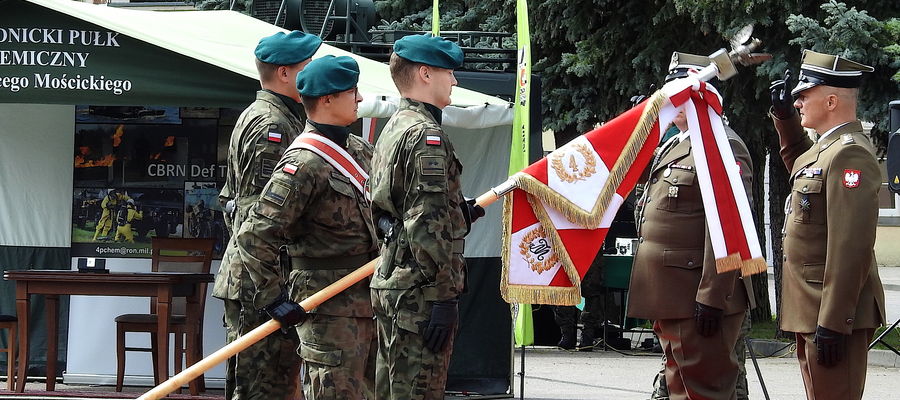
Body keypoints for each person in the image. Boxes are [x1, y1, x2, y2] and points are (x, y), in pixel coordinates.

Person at [629, 51, 755, 400]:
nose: (669, 101)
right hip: (670, 293)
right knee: (682, 387)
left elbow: (727, 229)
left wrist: (713, 296)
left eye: (677, 93)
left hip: (696, 297)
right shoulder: (675, 144)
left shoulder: (722, 146)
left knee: (702, 390)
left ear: (699, 96)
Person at [368, 34, 483, 399]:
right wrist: (443, 296)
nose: (455, 80)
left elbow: (394, 210)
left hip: (396, 282)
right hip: (419, 292)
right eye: (448, 72)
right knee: (419, 390)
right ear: (425, 74)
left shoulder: (396, 126)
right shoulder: (425, 135)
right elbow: (425, 222)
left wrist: (457, 213)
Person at [768, 49, 886, 400]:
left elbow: (851, 248)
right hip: (814, 307)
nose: (799, 102)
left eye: (804, 95)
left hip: (832, 313)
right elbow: (802, 167)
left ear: (831, 100)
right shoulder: (827, 148)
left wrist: (835, 322)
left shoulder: (851, 153)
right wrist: (786, 119)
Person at [212, 30, 321, 400]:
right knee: (260, 386)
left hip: (260, 277)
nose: (313, 71)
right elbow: (260, 218)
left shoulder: (271, 116)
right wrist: (272, 291)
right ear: (285, 73)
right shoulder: (272, 126)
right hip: (258, 282)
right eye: (307, 64)